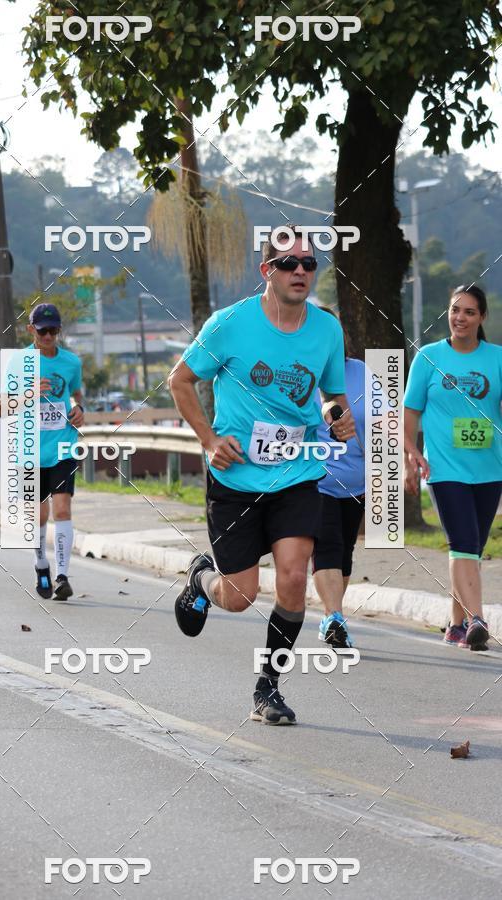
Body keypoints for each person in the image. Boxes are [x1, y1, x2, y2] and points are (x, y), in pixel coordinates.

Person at [169, 225, 355, 725]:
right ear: (266, 270)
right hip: (235, 480)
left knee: (294, 577)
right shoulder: (230, 324)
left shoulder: (327, 329)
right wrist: (209, 440)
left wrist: (338, 415)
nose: (300, 271)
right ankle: (200, 578)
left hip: (296, 474)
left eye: (308, 263)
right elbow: (180, 381)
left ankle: (267, 687)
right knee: (239, 595)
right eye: (288, 263)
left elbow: (330, 394)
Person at [404, 284, 502, 651]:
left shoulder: (497, 358)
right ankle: (478, 619)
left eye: (469, 312)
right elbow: (409, 413)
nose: (459, 317)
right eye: (455, 309)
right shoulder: (428, 357)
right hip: (444, 468)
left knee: (471, 548)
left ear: (482, 318)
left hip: (491, 468)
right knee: (462, 541)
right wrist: (410, 457)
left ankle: (456, 624)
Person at [0, 303, 84, 601]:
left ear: (59, 330)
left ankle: (62, 576)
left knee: (62, 509)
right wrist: (29, 393)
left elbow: (76, 392)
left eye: (54, 330)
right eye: (42, 330)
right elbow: (1, 407)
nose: (48, 336)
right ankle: (41, 564)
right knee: (38, 516)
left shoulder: (72, 362)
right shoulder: (20, 362)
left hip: (63, 446)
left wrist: (79, 409)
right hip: (29, 451)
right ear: (30, 329)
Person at [311, 309, 366, 649]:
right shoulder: (305, 373)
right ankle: (333, 615)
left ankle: (335, 617)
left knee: (344, 552)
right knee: (327, 545)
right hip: (317, 480)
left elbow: (383, 423)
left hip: (357, 482)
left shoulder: (361, 371)